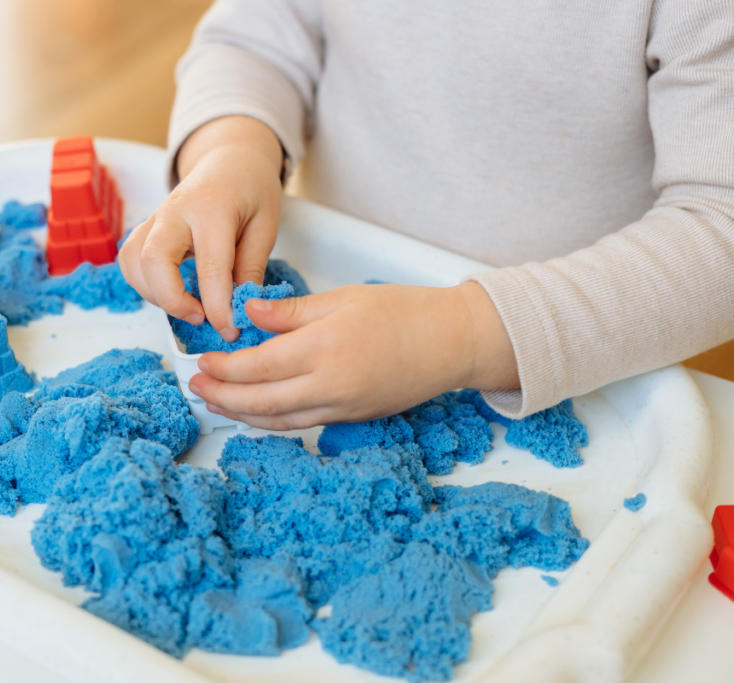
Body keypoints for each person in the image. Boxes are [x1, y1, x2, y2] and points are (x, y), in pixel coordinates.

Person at [118, 0, 734, 431]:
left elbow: (720, 226)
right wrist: (233, 149)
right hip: (331, 289)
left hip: (566, 364)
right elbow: (256, 37)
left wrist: (459, 334)